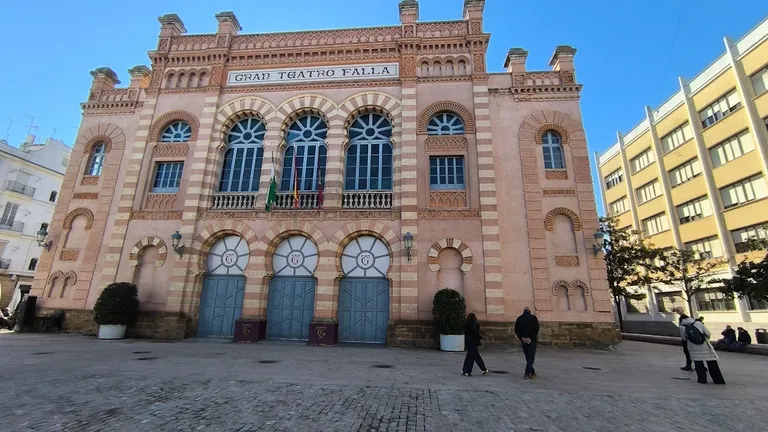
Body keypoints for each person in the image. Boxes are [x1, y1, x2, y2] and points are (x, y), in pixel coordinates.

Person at [680, 315, 725, 384]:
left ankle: (702, 380)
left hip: (693, 347)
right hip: (705, 346)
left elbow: (684, 338)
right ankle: (718, 380)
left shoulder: (682, 327)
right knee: (712, 363)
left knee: (698, 363)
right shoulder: (698, 323)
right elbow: (708, 333)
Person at [514, 306, 539, 379]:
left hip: (524, 341)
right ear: (529, 311)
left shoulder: (519, 319)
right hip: (532, 340)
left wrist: (522, 338)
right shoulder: (533, 318)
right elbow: (536, 329)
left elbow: (517, 330)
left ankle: (532, 371)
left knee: (528, 357)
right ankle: (527, 372)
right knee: (531, 357)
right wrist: (530, 338)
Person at [674, 307, 693, 371]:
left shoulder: (681, 319)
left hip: (686, 339)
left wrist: (684, 340)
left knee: (687, 352)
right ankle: (702, 366)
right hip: (692, 338)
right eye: (677, 311)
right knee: (695, 352)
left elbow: (682, 331)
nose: (677, 312)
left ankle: (689, 365)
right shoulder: (690, 319)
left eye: (678, 311)